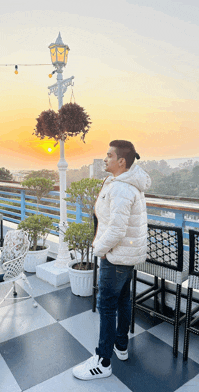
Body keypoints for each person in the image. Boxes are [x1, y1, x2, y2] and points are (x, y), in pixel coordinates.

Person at [72, 139, 151, 380]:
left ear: (121, 161)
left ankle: (103, 361)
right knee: (123, 301)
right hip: (123, 256)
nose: (105, 158)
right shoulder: (119, 181)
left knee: (106, 306)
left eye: (108, 155)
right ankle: (121, 346)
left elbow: (116, 230)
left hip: (115, 256)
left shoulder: (121, 188)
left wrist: (99, 249)